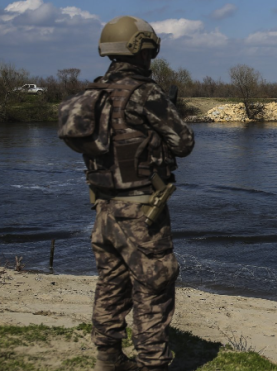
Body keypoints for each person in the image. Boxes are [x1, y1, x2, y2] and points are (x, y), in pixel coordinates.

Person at [58, 15, 194, 371]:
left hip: (104, 210)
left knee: (111, 285)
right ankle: (152, 362)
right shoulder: (145, 94)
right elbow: (184, 144)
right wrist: (169, 111)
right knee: (153, 288)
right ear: (143, 51)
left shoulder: (93, 95)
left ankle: (109, 358)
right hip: (142, 213)